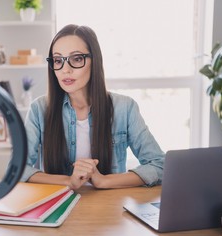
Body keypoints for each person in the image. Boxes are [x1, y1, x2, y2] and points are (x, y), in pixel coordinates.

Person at [20, 24, 165, 190]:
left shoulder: (124, 108)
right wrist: (68, 181)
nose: (65, 70)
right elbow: (17, 169)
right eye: (58, 60)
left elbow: (159, 164)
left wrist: (104, 181)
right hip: (57, 208)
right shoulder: (39, 109)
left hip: (109, 208)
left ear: (94, 61)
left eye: (76, 59)